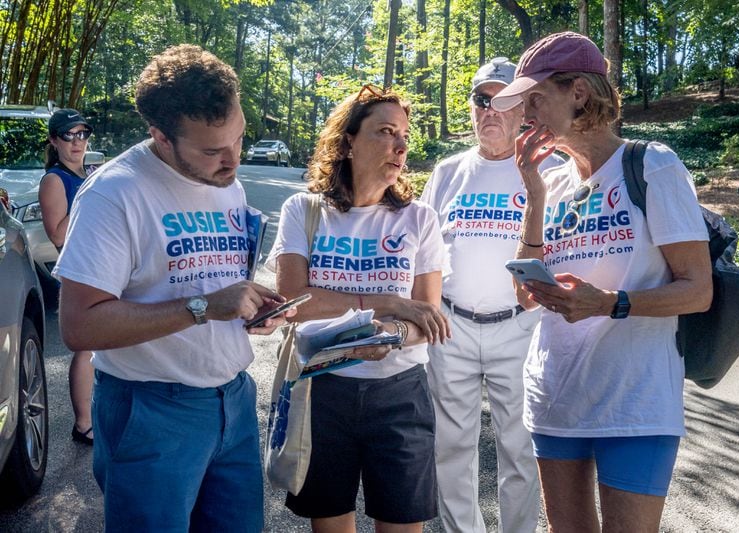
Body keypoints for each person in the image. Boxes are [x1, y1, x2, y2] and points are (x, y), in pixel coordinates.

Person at [54, 44, 291, 532]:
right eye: (212, 150)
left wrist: (250, 303)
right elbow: (79, 325)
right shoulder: (113, 194)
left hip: (235, 400)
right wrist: (204, 306)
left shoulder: (229, 181)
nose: (232, 161)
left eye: (239, 139)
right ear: (160, 136)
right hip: (151, 411)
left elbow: (208, 281)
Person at [489, 31, 713, 531]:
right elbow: (525, 298)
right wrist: (535, 194)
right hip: (556, 395)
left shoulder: (652, 164)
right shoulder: (556, 182)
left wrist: (609, 303)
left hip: (635, 403)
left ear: (579, 93)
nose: (526, 115)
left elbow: (698, 291)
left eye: (536, 99)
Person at [268, 84, 450, 533]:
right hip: (321, 391)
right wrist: (385, 305)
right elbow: (294, 300)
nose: (401, 145)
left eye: (404, 135)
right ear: (348, 139)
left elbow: (427, 319)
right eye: (386, 132)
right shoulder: (304, 210)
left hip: (400, 393)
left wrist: (390, 337)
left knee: (402, 524)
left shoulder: (418, 218)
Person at [420, 57, 564, 532]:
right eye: (482, 100)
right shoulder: (447, 172)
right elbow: (424, 251)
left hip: (521, 327)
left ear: (525, 109)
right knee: (451, 447)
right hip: (452, 326)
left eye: (503, 101)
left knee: (521, 450)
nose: (490, 111)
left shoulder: (553, 171)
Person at [38, 108, 96, 445]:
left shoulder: (87, 173)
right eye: (68, 135)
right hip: (79, 270)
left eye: (82, 134)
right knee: (86, 348)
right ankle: (83, 424)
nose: (77, 142)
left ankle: (100, 416)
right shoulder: (54, 179)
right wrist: (89, 196)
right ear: (54, 140)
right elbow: (58, 234)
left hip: (102, 265)